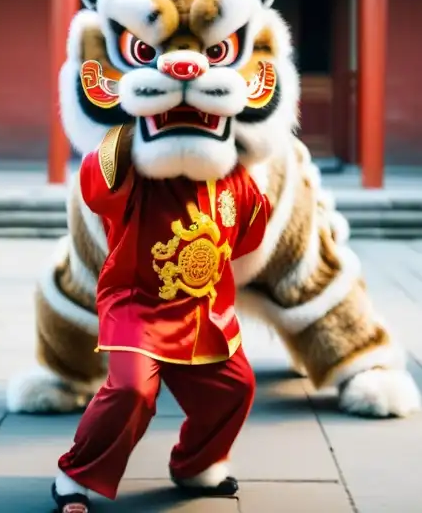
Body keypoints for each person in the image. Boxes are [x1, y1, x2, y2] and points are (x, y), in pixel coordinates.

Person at [51, 125, 271, 513]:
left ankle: (197, 464)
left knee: (235, 387)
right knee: (132, 391)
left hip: (202, 308)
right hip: (138, 305)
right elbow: (97, 189)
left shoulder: (231, 172)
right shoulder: (135, 167)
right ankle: (75, 474)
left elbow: (248, 233)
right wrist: (128, 118)